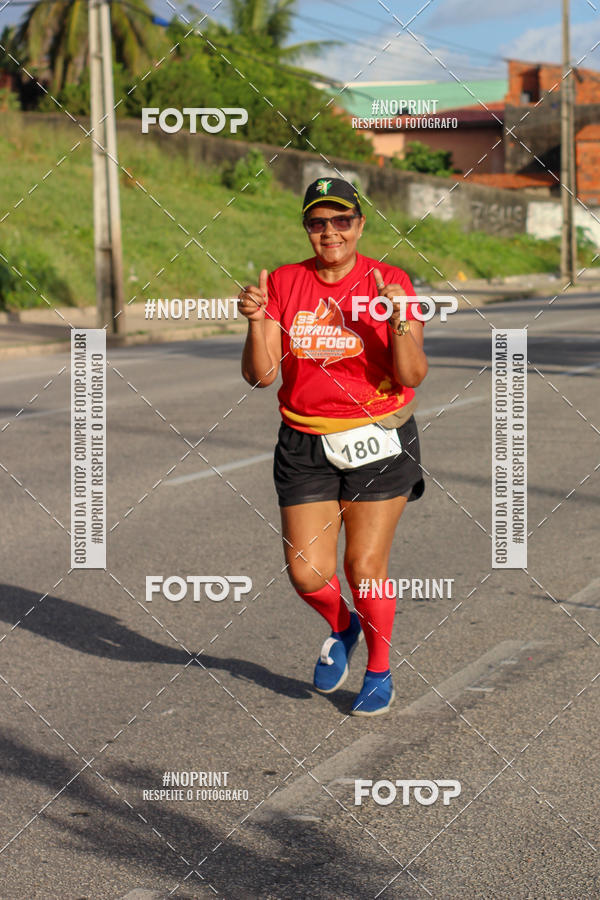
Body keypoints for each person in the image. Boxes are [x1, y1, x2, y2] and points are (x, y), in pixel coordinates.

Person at [238, 177, 428, 716]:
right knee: (306, 572)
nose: (330, 232)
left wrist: (397, 322)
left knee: (364, 566)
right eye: (318, 222)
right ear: (307, 229)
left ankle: (378, 669)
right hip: (304, 439)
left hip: (378, 436)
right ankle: (343, 626)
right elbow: (262, 376)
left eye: (341, 220)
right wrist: (257, 323)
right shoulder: (284, 282)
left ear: (360, 225)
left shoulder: (390, 281)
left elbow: (414, 372)